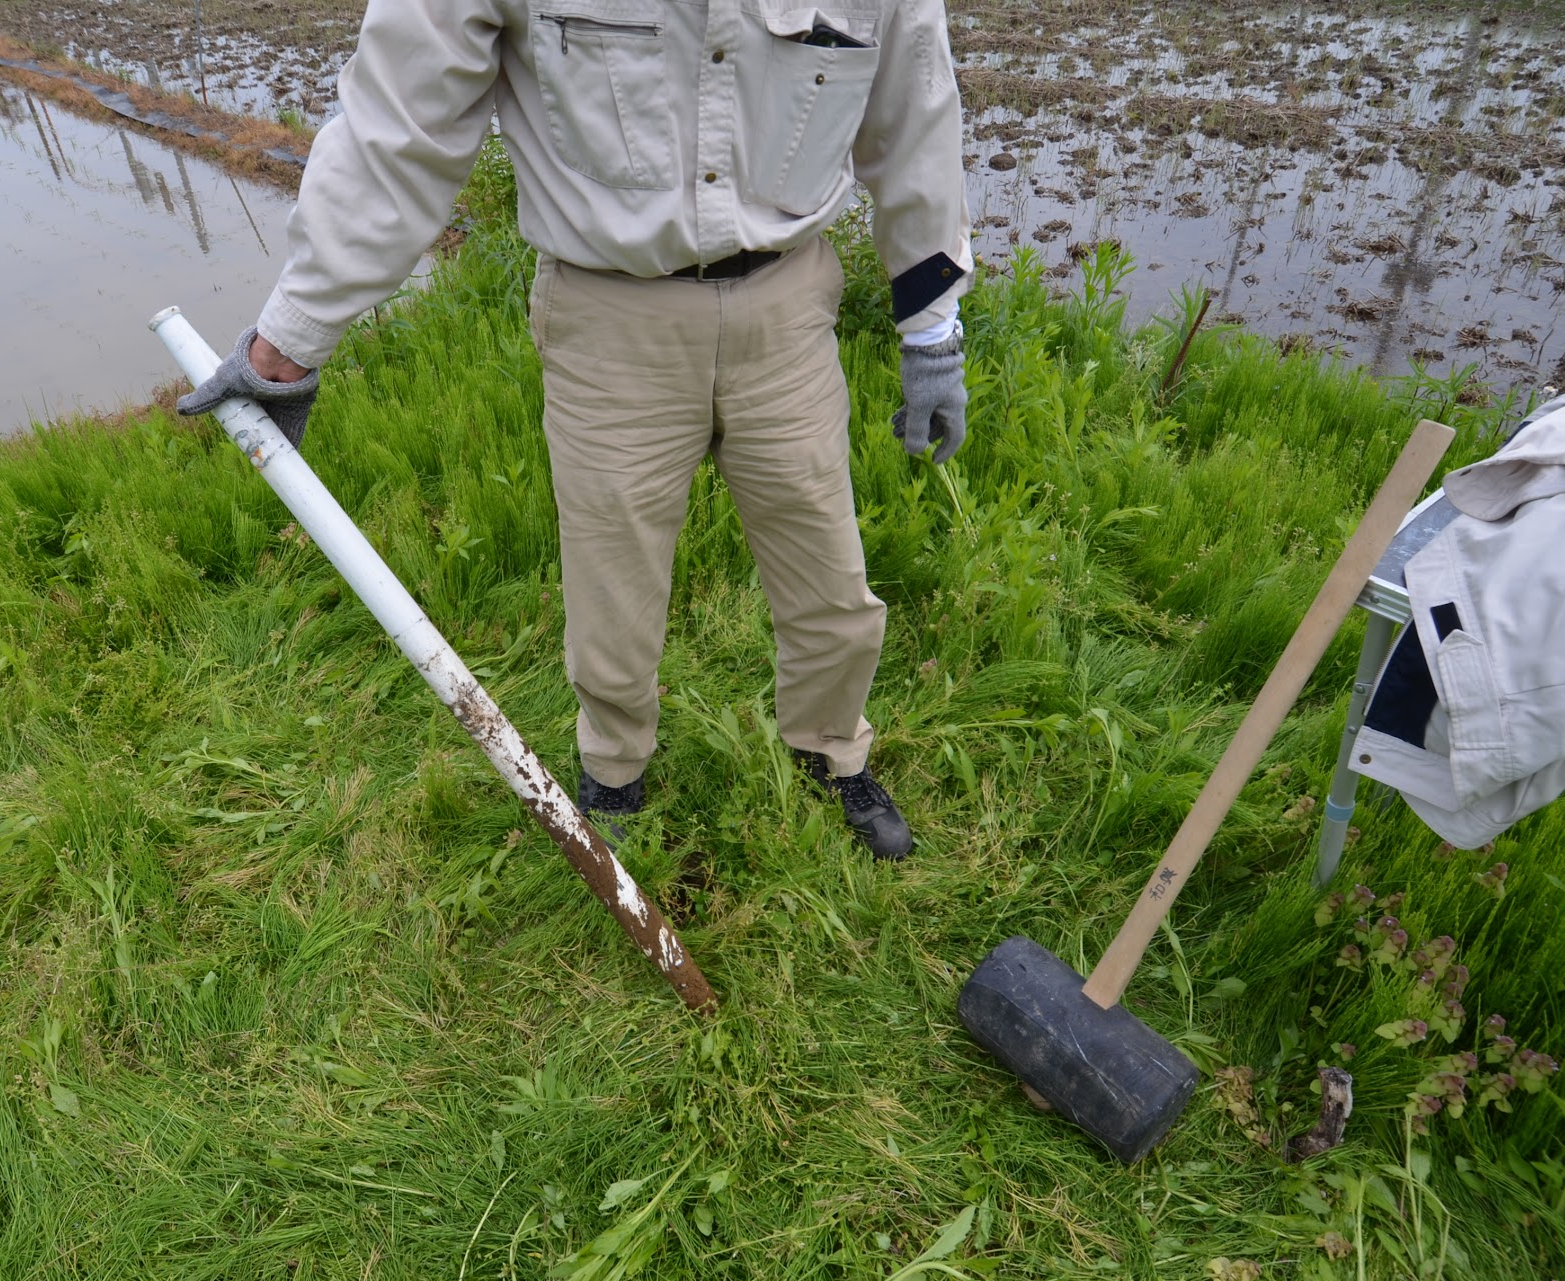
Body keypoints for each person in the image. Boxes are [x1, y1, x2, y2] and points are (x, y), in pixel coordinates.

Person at [180, 0, 973, 860]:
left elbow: (915, 114)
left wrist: (932, 330)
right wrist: (290, 340)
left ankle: (830, 749)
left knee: (827, 568)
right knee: (613, 584)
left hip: (788, 310)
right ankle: (615, 770)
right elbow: (399, 128)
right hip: (608, 315)